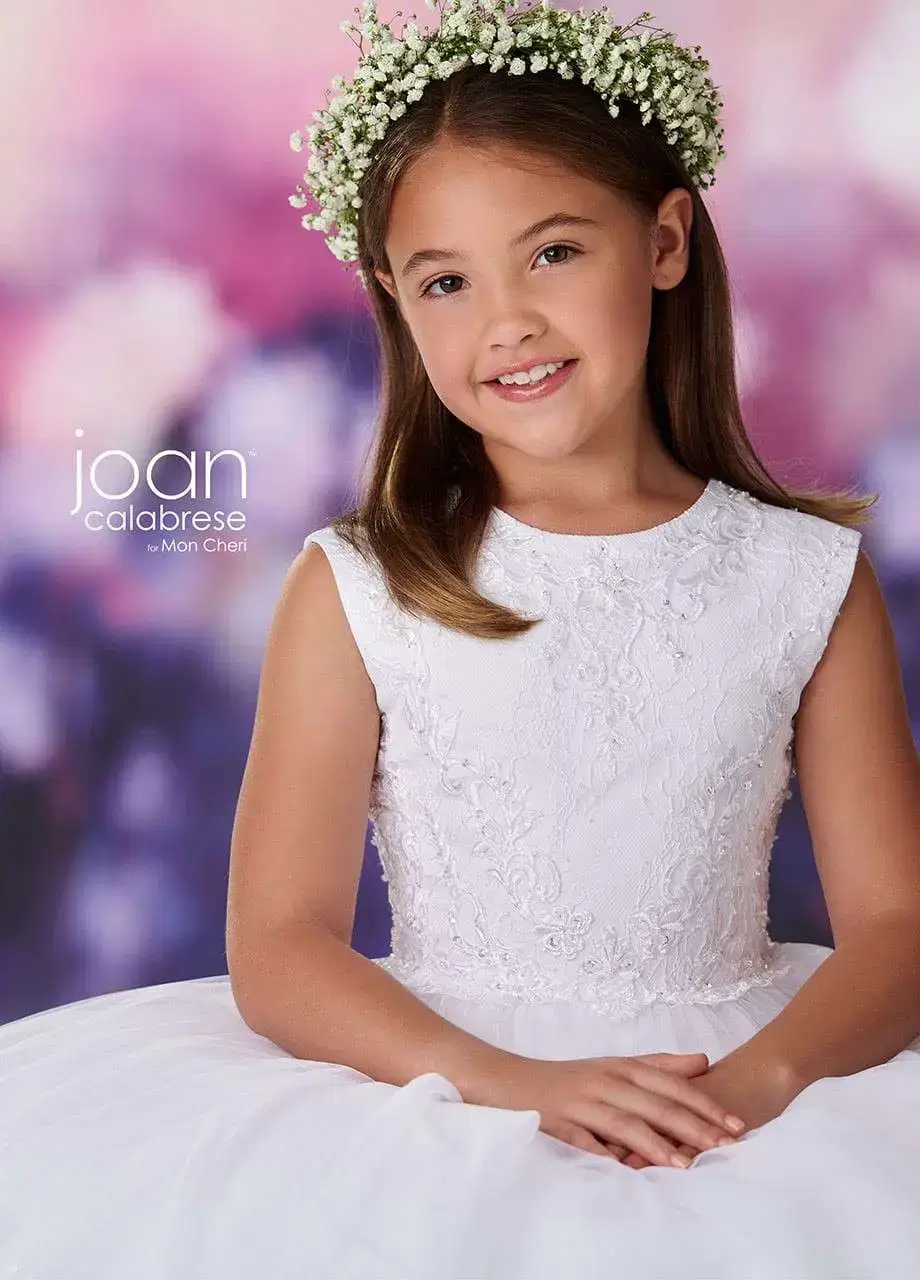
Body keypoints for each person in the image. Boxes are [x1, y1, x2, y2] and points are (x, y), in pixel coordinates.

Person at [2, 1, 920, 1276]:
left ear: (661, 241)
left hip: (744, 1081)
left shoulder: (805, 577)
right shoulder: (361, 583)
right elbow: (279, 943)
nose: (507, 320)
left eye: (551, 252)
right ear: (394, 298)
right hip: (432, 1083)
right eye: (446, 279)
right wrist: (506, 1083)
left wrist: (752, 1090)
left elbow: (897, 925)